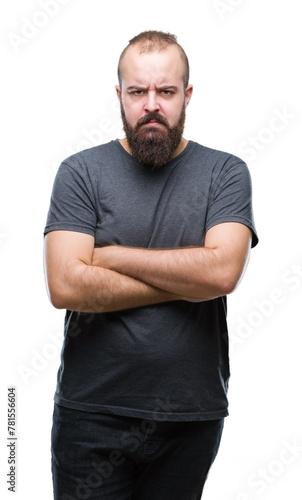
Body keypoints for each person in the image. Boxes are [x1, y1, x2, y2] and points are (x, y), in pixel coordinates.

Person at [44, 30, 258, 500]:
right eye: (138, 92)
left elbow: (223, 274)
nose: (151, 105)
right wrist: (192, 279)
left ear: (187, 95)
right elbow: (65, 285)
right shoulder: (80, 173)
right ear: (120, 96)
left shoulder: (225, 172)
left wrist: (113, 257)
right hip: (91, 415)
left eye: (166, 91)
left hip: (190, 416)